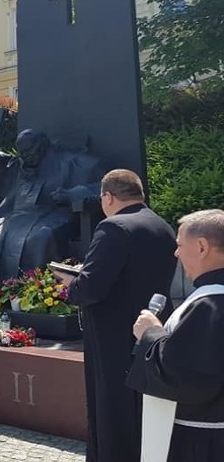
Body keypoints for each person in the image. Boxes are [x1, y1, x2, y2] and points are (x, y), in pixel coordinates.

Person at [59, 169, 177, 461]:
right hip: (152, 329)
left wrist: (69, 285)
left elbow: (91, 287)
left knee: (112, 410)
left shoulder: (113, 227)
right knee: (143, 408)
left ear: (108, 197)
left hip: (112, 335)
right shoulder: (163, 226)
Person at [129, 209, 224, 461]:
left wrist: (150, 333)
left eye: (180, 245)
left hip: (203, 441)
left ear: (202, 246)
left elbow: (185, 377)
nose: (176, 253)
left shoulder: (210, 305)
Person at [0, 129, 104, 283]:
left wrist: (72, 194)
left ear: (42, 146)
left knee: (41, 237)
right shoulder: (19, 164)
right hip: (13, 215)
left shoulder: (73, 163)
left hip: (53, 214)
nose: (25, 156)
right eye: (22, 152)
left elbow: (104, 185)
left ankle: (37, 290)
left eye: (29, 151)